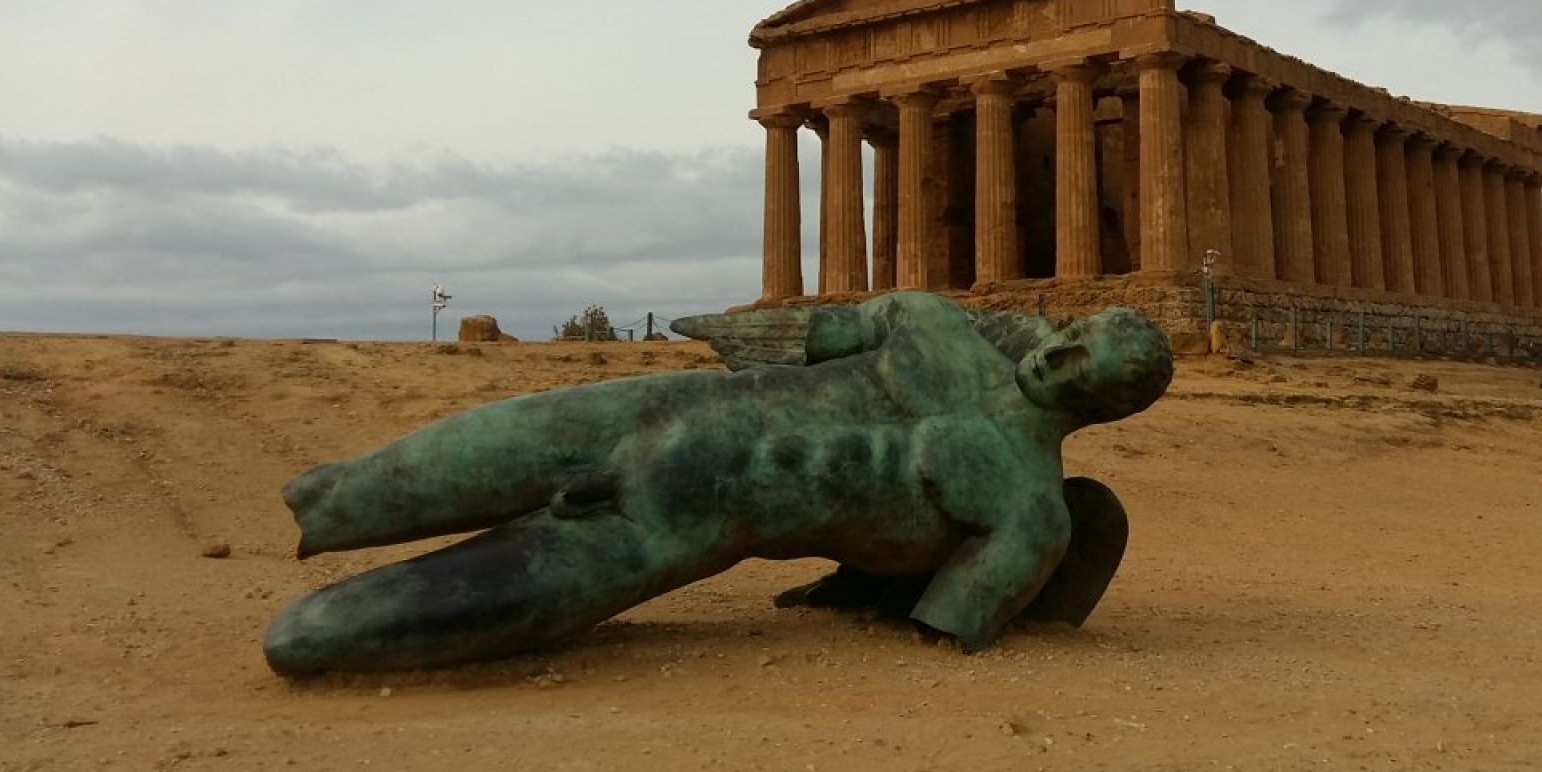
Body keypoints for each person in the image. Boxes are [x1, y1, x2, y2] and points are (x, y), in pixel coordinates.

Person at [264, 292, 1174, 676]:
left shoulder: (1028, 512)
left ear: (1104, 407)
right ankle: (333, 504)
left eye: (1083, 371)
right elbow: (806, 334)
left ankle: (323, 624)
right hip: (657, 407)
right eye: (1072, 337)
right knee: (343, 491)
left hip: (686, 516)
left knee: (305, 638)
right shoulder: (935, 325)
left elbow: (950, 620)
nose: (1056, 358)